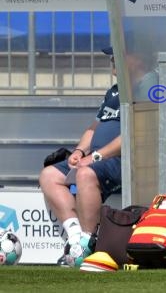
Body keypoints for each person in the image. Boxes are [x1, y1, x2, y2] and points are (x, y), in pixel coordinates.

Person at [39, 47, 121, 267]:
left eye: (115, 55)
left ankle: (89, 244)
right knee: (49, 175)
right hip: (93, 158)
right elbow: (94, 128)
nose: (112, 60)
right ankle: (76, 238)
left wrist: (93, 157)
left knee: (84, 174)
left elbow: (134, 136)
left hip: (120, 161)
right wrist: (79, 152)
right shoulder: (113, 91)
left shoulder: (144, 89)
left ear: (131, 58)